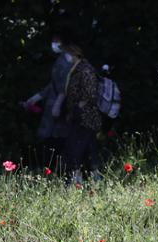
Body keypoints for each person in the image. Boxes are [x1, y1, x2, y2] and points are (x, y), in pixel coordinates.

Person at [23, 30, 73, 171]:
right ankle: (51, 170)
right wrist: (35, 98)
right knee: (52, 141)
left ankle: (53, 171)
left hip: (60, 109)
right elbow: (53, 84)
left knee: (56, 141)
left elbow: (64, 85)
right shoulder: (62, 59)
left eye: (56, 40)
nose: (54, 43)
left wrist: (57, 104)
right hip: (55, 108)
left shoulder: (67, 60)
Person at [62, 44, 102, 185]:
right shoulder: (77, 69)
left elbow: (91, 93)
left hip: (86, 117)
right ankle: (91, 180)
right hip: (79, 116)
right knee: (85, 150)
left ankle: (76, 181)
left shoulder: (85, 69)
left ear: (74, 54)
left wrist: (80, 106)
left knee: (76, 149)